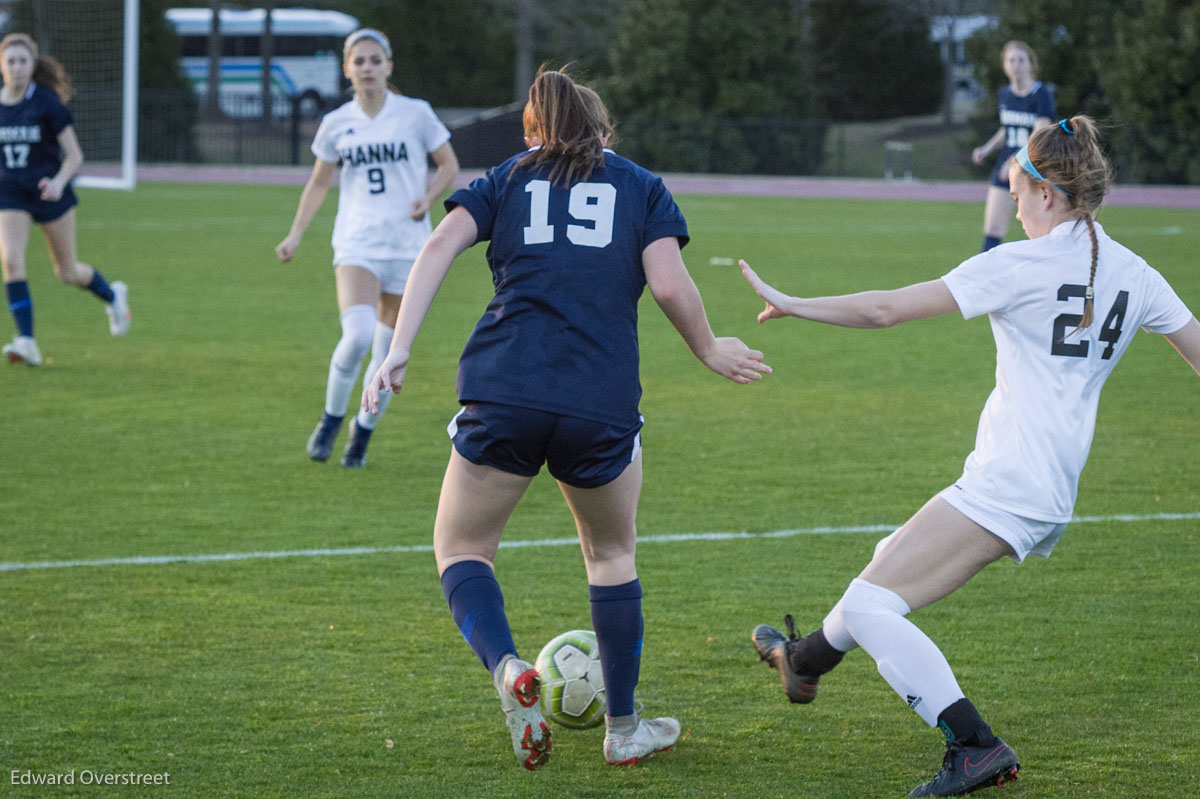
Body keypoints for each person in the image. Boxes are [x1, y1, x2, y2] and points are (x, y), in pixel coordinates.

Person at [741, 115, 1199, 797]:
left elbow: (887, 310)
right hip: (1045, 487)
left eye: (1015, 185)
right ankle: (803, 660)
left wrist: (795, 302)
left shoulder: (1021, 265)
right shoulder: (1137, 271)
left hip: (1009, 483)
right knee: (888, 556)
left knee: (872, 604)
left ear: (1047, 191)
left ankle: (974, 744)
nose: (1011, 200)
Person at [362, 67, 770, 770]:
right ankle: (622, 727)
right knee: (610, 556)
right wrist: (709, 347)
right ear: (605, 133)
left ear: (534, 132)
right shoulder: (641, 184)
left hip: (504, 387)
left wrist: (396, 352)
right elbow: (670, 284)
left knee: (461, 549)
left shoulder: (509, 176)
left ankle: (507, 668)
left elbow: (434, 248)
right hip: (598, 400)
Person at [275, 28, 459, 468]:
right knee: (356, 336)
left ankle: (362, 433)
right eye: (359, 62)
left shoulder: (415, 114)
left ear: (389, 66)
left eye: (376, 60)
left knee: (386, 356)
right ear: (347, 69)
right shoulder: (337, 122)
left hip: (408, 246)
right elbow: (320, 181)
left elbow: (448, 165)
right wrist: (295, 233)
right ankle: (331, 419)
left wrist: (428, 199)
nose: (368, 68)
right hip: (357, 243)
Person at [0, 33, 130, 366]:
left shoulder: (45, 102)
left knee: (67, 272)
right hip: (11, 193)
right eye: (10, 61)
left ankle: (113, 296)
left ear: (32, 64)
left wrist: (58, 182)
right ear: (2, 65)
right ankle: (26, 341)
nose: (16, 67)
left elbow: (74, 156)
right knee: (11, 260)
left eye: (22, 61)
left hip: (48, 192)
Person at [971, 41, 1055, 253]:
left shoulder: (1041, 94)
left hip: (1033, 169)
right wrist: (986, 149)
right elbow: (1007, 128)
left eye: (1021, 60)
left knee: (1040, 231)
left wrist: (1017, 163)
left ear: (1030, 63)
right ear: (1005, 65)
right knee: (992, 229)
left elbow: (1039, 134)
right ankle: (983, 281)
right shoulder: (1005, 95)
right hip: (1005, 168)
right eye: (1011, 60)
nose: (1016, 65)